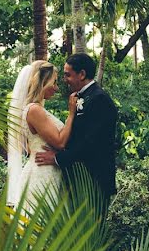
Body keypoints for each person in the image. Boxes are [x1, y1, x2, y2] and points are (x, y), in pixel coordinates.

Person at [35, 53, 118, 210]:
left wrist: (58, 158)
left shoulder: (99, 99)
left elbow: (91, 143)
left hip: (94, 180)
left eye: (68, 75)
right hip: (79, 179)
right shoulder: (82, 97)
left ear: (82, 74)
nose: (64, 80)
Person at [6, 60, 78, 210]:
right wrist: (71, 114)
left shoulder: (35, 109)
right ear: (43, 82)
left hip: (48, 169)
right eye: (54, 82)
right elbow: (59, 142)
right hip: (42, 173)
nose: (56, 88)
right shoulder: (34, 110)